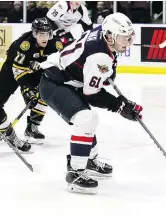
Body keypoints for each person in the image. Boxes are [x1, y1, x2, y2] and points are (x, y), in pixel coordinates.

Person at [39, 12, 143, 194]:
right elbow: (91, 94)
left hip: (68, 80)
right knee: (86, 118)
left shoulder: (102, 35)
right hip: (54, 83)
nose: (127, 42)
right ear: (110, 37)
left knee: (88, 119)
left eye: (129, 37)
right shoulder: (99, 57)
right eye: (123, 38)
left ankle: (89, 159)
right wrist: (119, 105)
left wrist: (115, 92)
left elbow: (99, 76)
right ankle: (75, 172)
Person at [0, 17, 63, 151]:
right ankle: (7, 132)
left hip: (36, 70)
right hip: (13, 70)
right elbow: (17, 71)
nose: (45, 37)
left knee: (45, 92)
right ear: (34, 34)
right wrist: (26, 88)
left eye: (48, 33)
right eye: (41, 34)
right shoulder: (24, 45)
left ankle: (32, 127)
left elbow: (61, 64)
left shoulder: (56, 44)